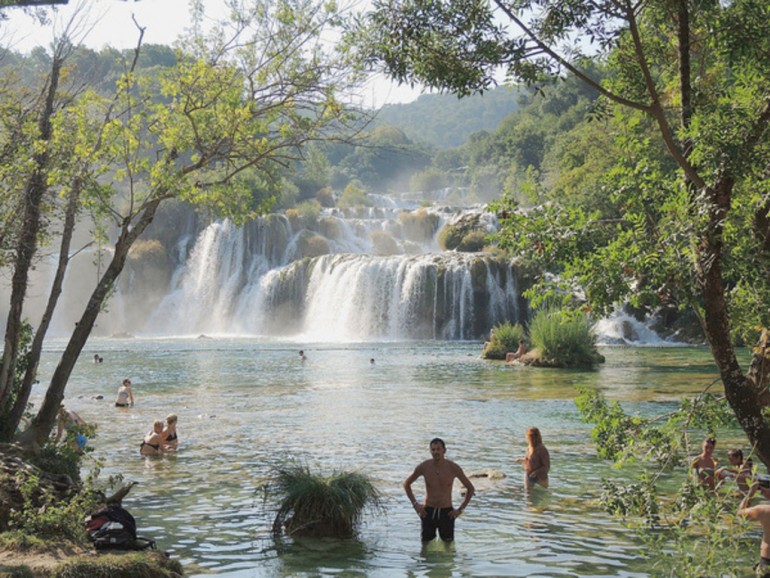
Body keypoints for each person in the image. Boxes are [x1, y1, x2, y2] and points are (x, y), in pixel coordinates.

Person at [403, 437, 475, 543]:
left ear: (444, 450)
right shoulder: (424, 466)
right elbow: (406, 484)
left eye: (438, 449)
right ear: (430, 451)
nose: (436, 452)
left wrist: (460, 510)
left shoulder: (453, 468)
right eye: (433, 449)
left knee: (448, 547)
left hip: (447, 512)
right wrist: (415, 504)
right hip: (428, 512)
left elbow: (470, 488)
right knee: (425, 545)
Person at [738, 477, 770, 577]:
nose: (761, 493)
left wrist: (750, 493)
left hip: (767, 561)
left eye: (762, 490)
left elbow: (740, 514)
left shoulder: (764, 510)